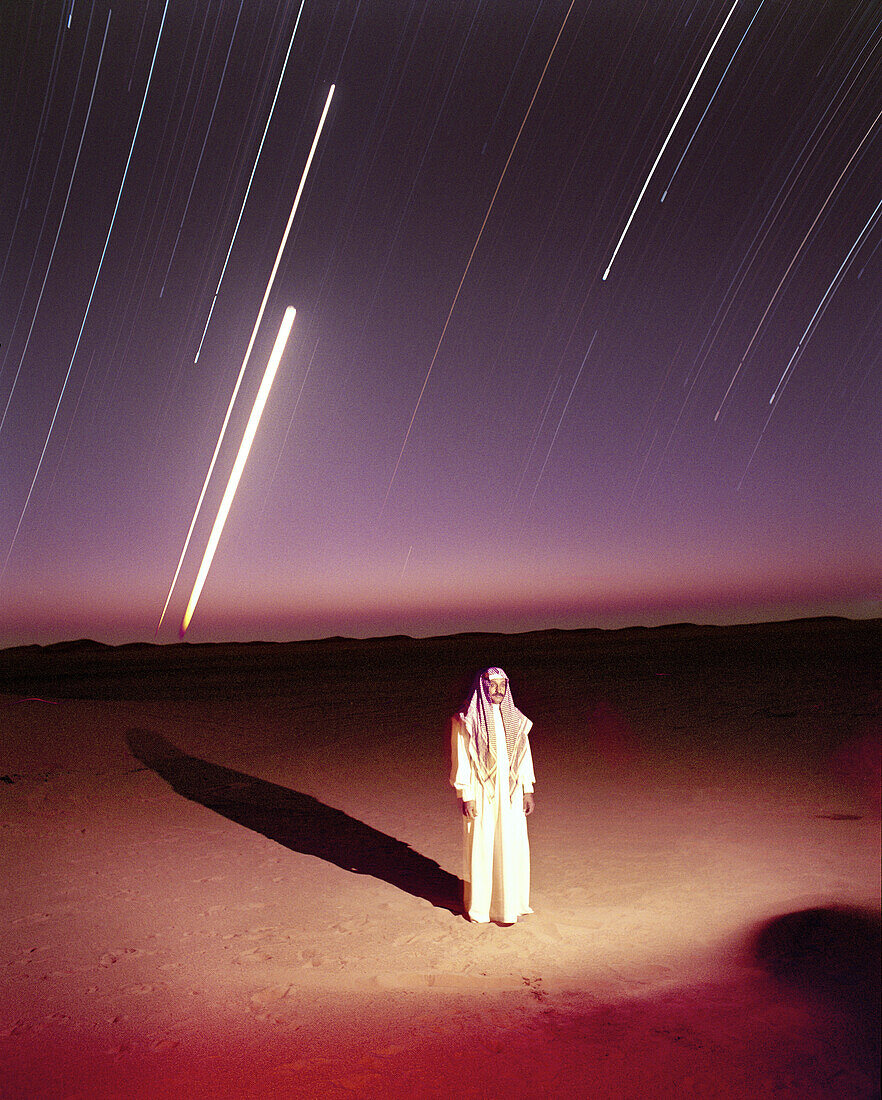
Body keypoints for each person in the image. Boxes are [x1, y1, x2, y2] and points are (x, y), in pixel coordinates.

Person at [450, 667, 535, 923]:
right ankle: (482, 909)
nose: (498, 690)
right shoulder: (466, 720)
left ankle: (511, 906)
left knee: (511, 844)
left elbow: (524, 757)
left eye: (502, 685)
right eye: (492, 685)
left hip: (511, 793)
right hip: (481, 791)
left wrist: (527, 789)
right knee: (484, 845)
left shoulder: (516, 719)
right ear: (483, 686)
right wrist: (466, 794)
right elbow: (461, 759)